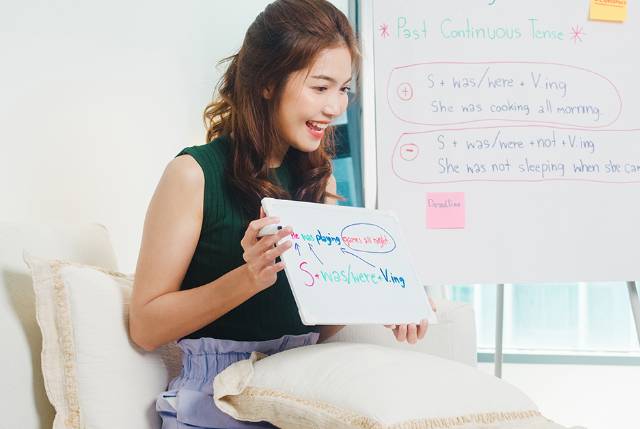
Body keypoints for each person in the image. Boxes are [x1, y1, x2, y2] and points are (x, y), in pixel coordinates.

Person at [128, 1, 432, 427]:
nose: (336, 107)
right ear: (268, 82)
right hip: (213, 403)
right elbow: (145, 327)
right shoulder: (192, 174)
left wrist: (381, 295)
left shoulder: (318, 180)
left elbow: (314, 323)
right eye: (320, 87)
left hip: (300, 392)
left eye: (344, 88)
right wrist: (247, 278)